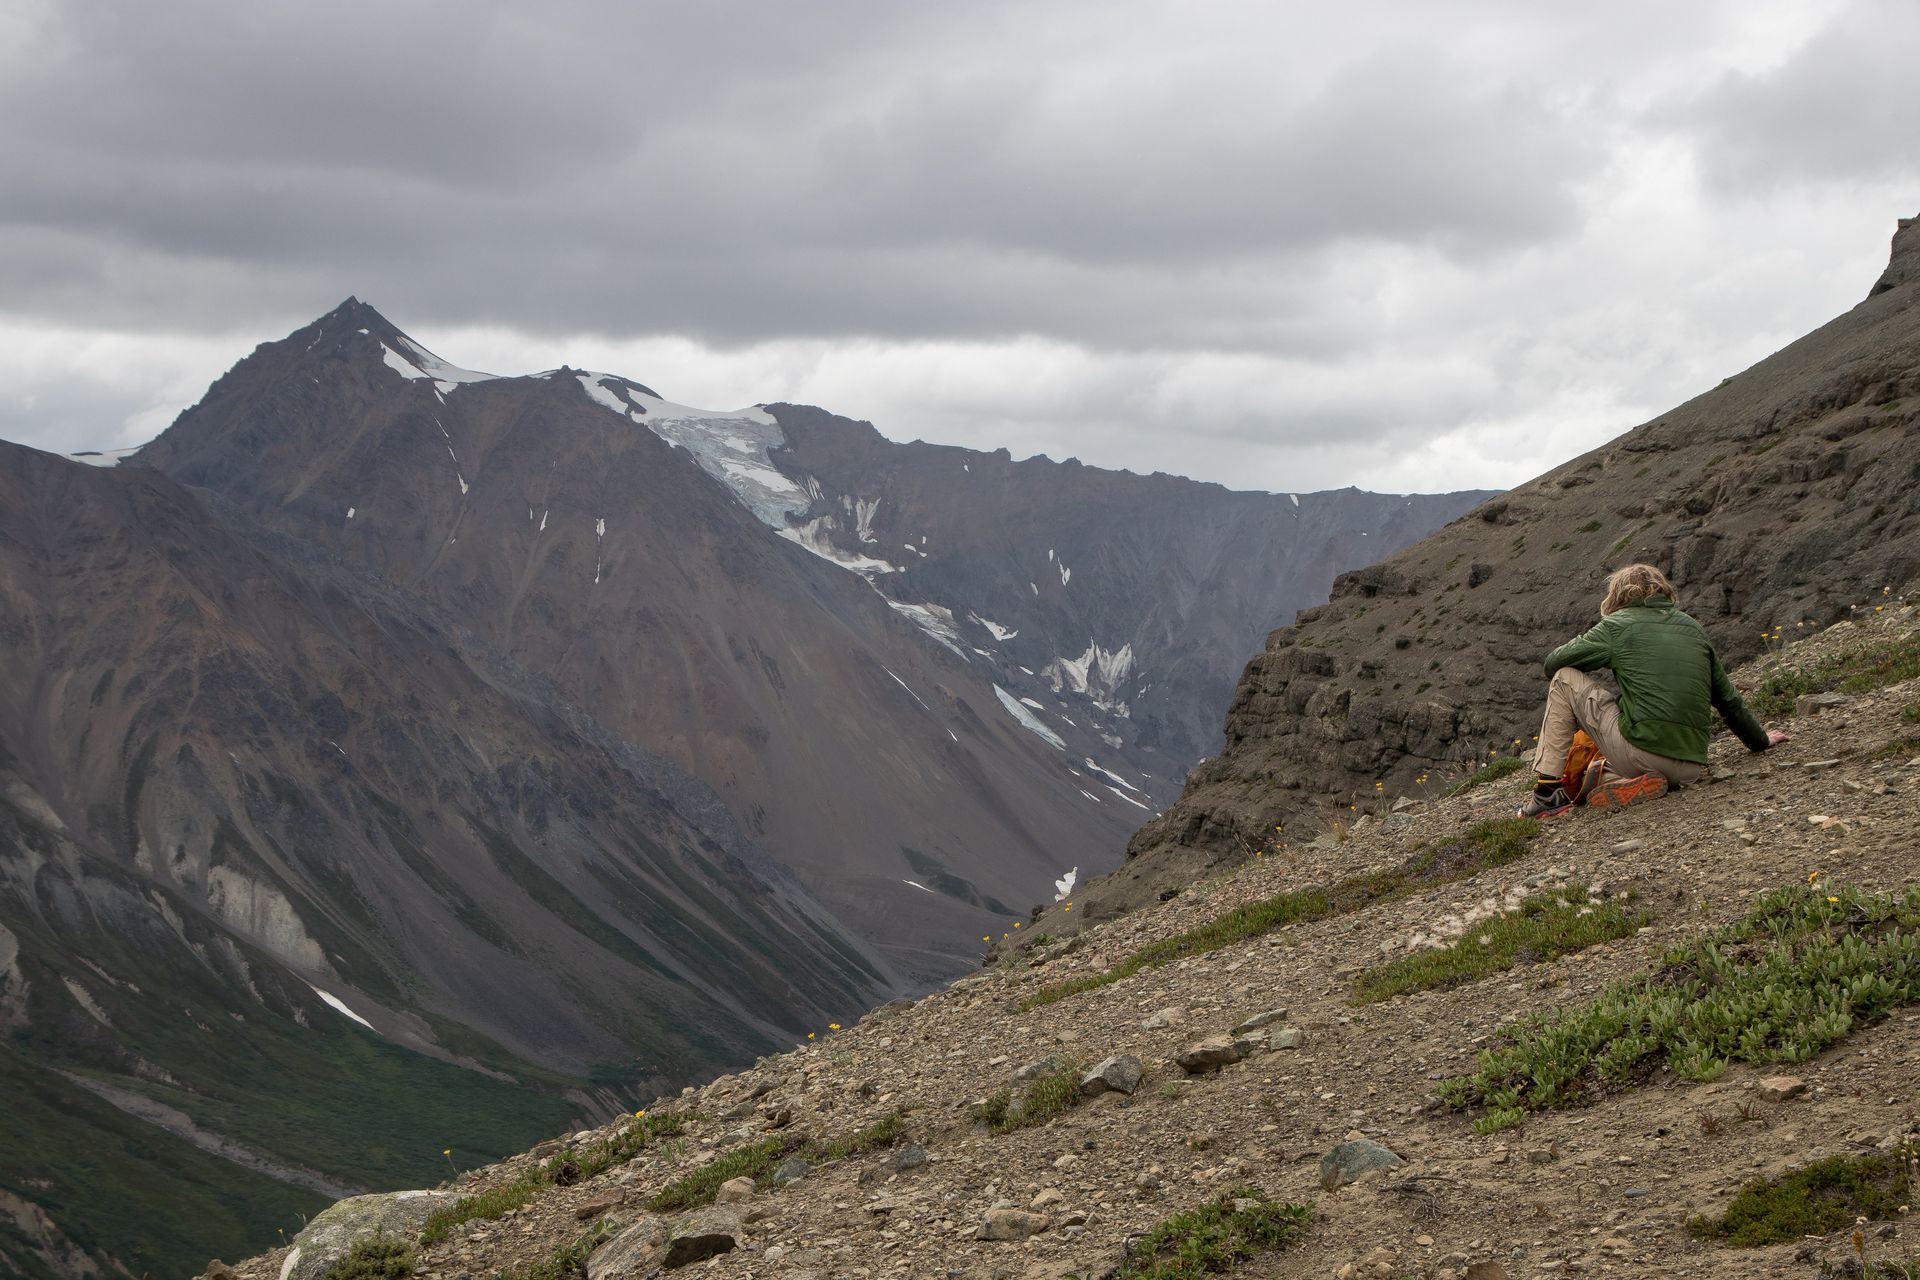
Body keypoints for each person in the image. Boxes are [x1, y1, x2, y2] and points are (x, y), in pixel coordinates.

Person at [1518, 564, 1788, 819]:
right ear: (1664, 591)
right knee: (1623, 736)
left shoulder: (1617, 625)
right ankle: (1621, 781)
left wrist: (1592, 640)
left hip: (1640, 753)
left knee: (1564, 679)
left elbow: (1553, 663)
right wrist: (1760, 741)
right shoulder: (1693, 628)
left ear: (1617, 596)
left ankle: (1547, 793)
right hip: (1691, 766)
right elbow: (1728, 700)